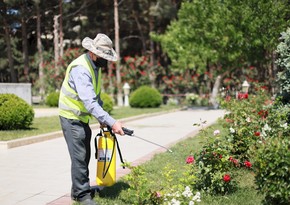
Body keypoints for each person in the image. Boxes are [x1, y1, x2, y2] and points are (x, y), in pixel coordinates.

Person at [58, 33, 124, 205]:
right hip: (70, 117)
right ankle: (82, 196)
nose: (106, 61)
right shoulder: (81, 69)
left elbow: (96, 97)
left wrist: (103, 119)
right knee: (79, 156)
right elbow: (89, 102)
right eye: (103, 57)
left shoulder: (95, 67)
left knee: (84, 154)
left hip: (81, 118)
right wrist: (112, 122)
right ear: (93, 53)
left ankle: (78, 190)